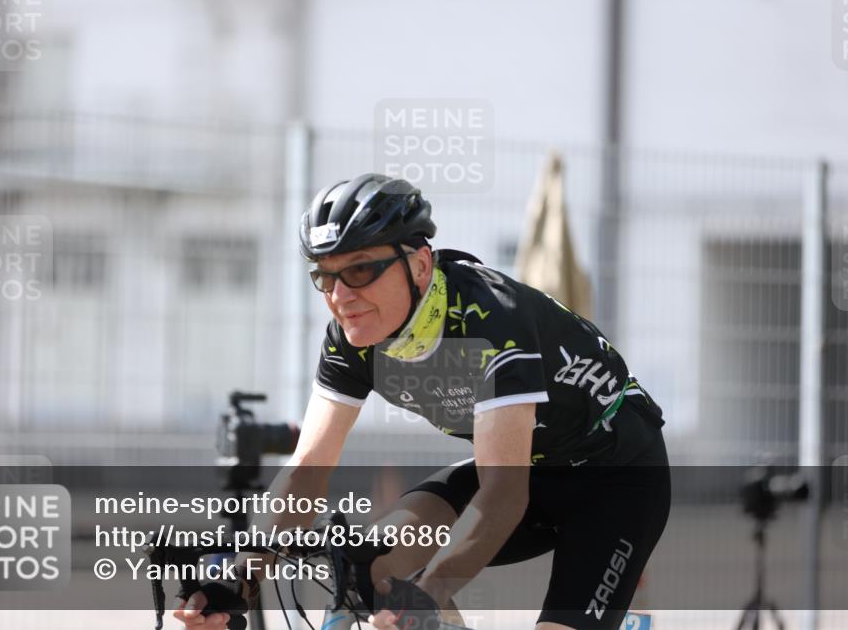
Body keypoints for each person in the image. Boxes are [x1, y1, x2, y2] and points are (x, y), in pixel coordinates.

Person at [176, 173, 671, 630]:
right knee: (370, 567)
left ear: (419, 264)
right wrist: (240, 579)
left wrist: (429, 595)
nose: (340, 295)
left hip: (613, 478)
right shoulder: (351, 340)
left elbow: (504, 493)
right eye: (325, 276)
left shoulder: (492, 320)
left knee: (420, 598)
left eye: (361, 270)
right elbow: (308, 468)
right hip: (528, 469)